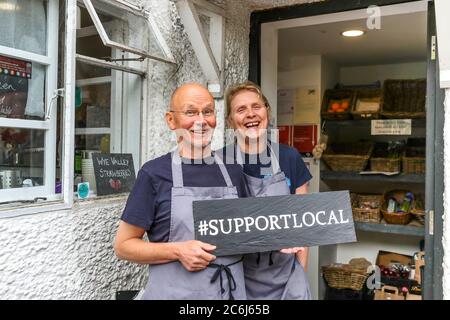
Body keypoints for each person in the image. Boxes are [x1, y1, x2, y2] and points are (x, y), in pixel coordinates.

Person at [114, 83, 248, 300]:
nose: (201, 121)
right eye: (190, 112)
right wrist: (178, 250)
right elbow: (123, 246)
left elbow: (250, 232)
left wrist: (284, 239)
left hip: (231, 295)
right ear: (171, 120)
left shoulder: (233, 171)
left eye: (208, 111)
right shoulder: (154, 173)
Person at [222, 81, 312, 300]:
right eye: (241, 110)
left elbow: (304, 225)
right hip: (236, 280)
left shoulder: (289, 157)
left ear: (267, 112)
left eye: (256, 106)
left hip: (285, 279)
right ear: (230, 121)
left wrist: (298, 276)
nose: (250, 114)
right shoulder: (219, 162)